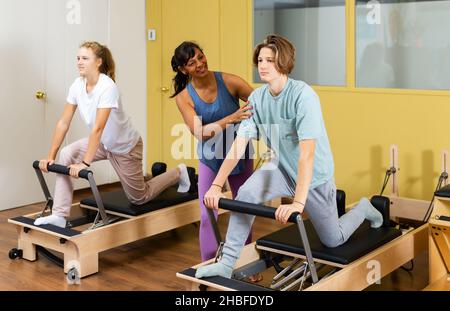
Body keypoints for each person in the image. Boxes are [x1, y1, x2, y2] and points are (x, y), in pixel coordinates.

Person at [196, 35, 383, 279]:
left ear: (283, 62)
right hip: (281, 169)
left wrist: (298, 202)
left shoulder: (303, 96)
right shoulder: (257, 99)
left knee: (333, 239)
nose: (263, 65)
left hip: (314, 175)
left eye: (270, 60)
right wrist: (217, 185)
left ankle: (363, 208)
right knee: (247, 194)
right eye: (260, 60)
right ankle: (228, 262)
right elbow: (238, 145)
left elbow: (307, 155)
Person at [34, 41, 193, 228]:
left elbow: (98, 128)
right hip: (103, 144)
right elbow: (63, 122)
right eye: (78, 58)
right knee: (66, 154)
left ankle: (179, 172)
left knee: (139, 198)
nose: (79, 62)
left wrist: (85, 163)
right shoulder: (77, 85)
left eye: (85, 58)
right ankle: (60, 215)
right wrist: (50, 157)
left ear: (99, 62)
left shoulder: (107, 87)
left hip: (126, 147)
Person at [171, 41, 256, 262]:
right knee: (207, 213)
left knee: (243, 209)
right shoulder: (184, 97)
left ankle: (247, 261)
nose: (200, 64)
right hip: (210, 159)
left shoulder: (229, 81)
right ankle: (209, 263)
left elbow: (260, 103)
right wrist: (232, 118)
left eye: (201, 56)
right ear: (183, 69)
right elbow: (199, 133)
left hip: (240, 155)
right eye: (192, 63)